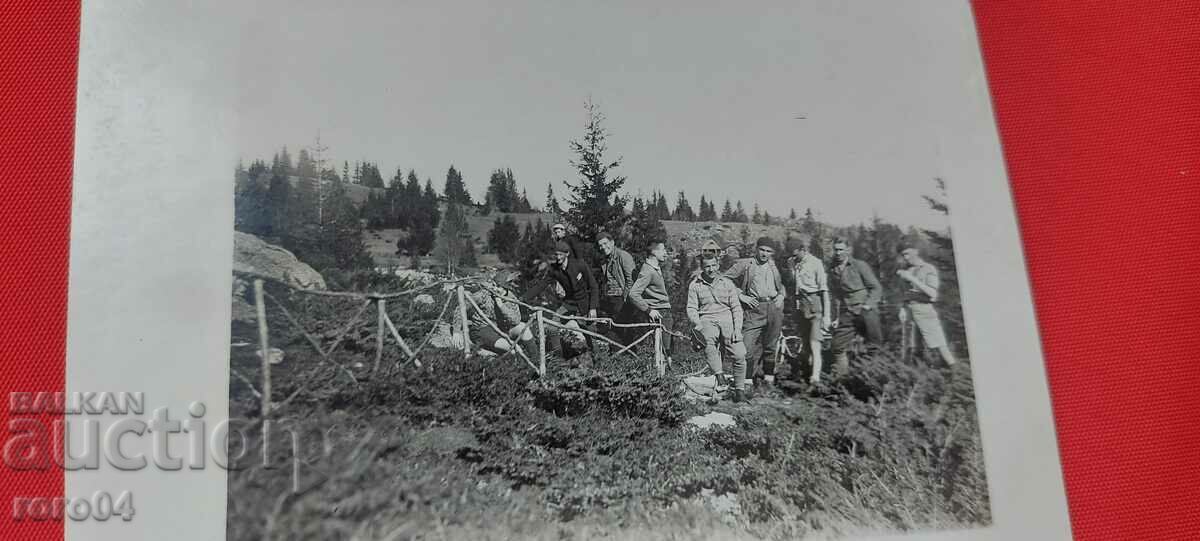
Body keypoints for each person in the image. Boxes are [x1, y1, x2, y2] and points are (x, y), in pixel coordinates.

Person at [522, 241, 599, 361]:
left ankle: (598, 359)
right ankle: (559, 359)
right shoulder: (554, 270)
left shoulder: (579, 265)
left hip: (584, 304)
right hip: (568, 304)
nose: (558, 258)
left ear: (567, 253)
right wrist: (524, 298)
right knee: (552, 327)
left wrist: (593, 307)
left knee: (590, 333)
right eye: (556, 255)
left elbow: (593, 286)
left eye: (560, 255)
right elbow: (541, 285)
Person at [724, 237, 785, 389]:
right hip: (754, 309)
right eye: (762, 250)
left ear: (773, 253)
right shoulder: (746, 264)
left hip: (774, 308)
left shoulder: (773, 265)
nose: (765, 254)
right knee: (746, 347)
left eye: (769, 251)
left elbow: (781, 285)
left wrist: (781, 296)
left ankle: (768, 382)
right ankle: (747, 382)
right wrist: (741, 295)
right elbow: (724, 279)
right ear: (756, 249)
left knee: (771, 346)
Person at [687, 255, 749, 402]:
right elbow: (691, 308)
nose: (711, 269)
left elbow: (736, 308)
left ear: (718, 265)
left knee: (740, 354)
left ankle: (740, 391)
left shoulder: (727, 283)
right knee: (707, 341)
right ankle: (719, 376)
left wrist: (737, 330)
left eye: (714, 265)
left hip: (727, 318)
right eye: (707, 266)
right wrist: (697, 323)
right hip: (706, 318)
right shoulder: (695, 285)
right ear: (702, 268)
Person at [827, 238, 883, 376]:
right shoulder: (832, 269)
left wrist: (868, 306)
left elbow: (876, 288)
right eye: (836, 249)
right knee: (837, 345)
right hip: (847, 312)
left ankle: (873, 378)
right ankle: (842, 379)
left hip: (865, 311)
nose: (838, 252)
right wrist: (836, 317)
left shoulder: (859, 265)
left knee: (874, 346)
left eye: (841, 249)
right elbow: (836, 295)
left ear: (848, 250)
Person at [897, 246, 957, 366]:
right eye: (903, 255)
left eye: (908, 253)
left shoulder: (929, 269)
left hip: (924, 309)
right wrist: (902, 308)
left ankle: (954, 372)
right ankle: (914, 374)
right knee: (911, 346)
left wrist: (911, 278)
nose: (906, 257)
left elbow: (932, 293)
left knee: (939, 344)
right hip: (909, 311)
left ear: (916, 251)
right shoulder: (908, 270)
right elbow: (905, 293)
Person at [454, 271, 536, 356]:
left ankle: (535, 360)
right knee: (514, 348)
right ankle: (518, 365)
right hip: (483, 330)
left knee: (523, 328)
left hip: (502, 329)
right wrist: (456, 331)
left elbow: (516, 320)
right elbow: (461, 307)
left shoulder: (511, 297)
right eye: (495, 286)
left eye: (500, 287)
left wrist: (501, 306)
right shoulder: (483, 295)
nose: (496, 289)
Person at [785, 237, 831, 384]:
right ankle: (807, 373)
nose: (792, 256)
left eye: (795, 253)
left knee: (814, 343)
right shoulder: (792, 263)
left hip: (814, 304)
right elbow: (793, 284)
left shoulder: (815, 263)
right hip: (800, 306)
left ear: (802, 250)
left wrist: (826, 315)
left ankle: (815, 377)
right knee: (805, 343)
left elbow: (823, 290)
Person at [629, 241, 674, 364]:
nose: (665, 253)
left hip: (664, 312)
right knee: (662, 353)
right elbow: (633, 294)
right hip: (659, 313)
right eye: (663, 249)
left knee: (666, 352)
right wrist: (649, 310)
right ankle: (659, 379)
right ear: (654, 252)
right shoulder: (648, 271)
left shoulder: (655, 268)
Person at [596, 232, 636, 344]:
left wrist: (625, 298)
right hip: (609, 298)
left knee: (622, 329)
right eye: (600, 245)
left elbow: (631, 279)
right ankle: (616, 355)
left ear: (612, 242)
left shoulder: (623, 256)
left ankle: (627, 355)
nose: (603, 247)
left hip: (621, 298)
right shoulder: (605, 260)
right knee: (610, 329)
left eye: (605, 243)